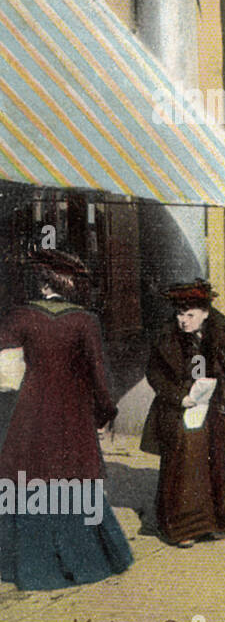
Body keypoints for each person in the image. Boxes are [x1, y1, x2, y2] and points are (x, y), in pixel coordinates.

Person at [0, 249, 133, 589]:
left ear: (41, 283)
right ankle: (85, 562)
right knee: (74, 480)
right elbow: (100, 378)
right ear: (67, 282)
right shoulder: (85, 320)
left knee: (29, 481)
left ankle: (29, 565)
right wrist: (105, 412)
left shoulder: (19, 317)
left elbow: (4, 370)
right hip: (73, 416)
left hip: (29, 416)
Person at [141, 279, 225, 548]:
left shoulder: (223, 334)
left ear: (205, 312)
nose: (183, 320)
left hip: (220, 405)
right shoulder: (166, 336)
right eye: (180, 314)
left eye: (190, 314)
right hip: (184, 406)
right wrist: (179, 397)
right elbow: (154, 373)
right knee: (187, 462)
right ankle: (185, 528)